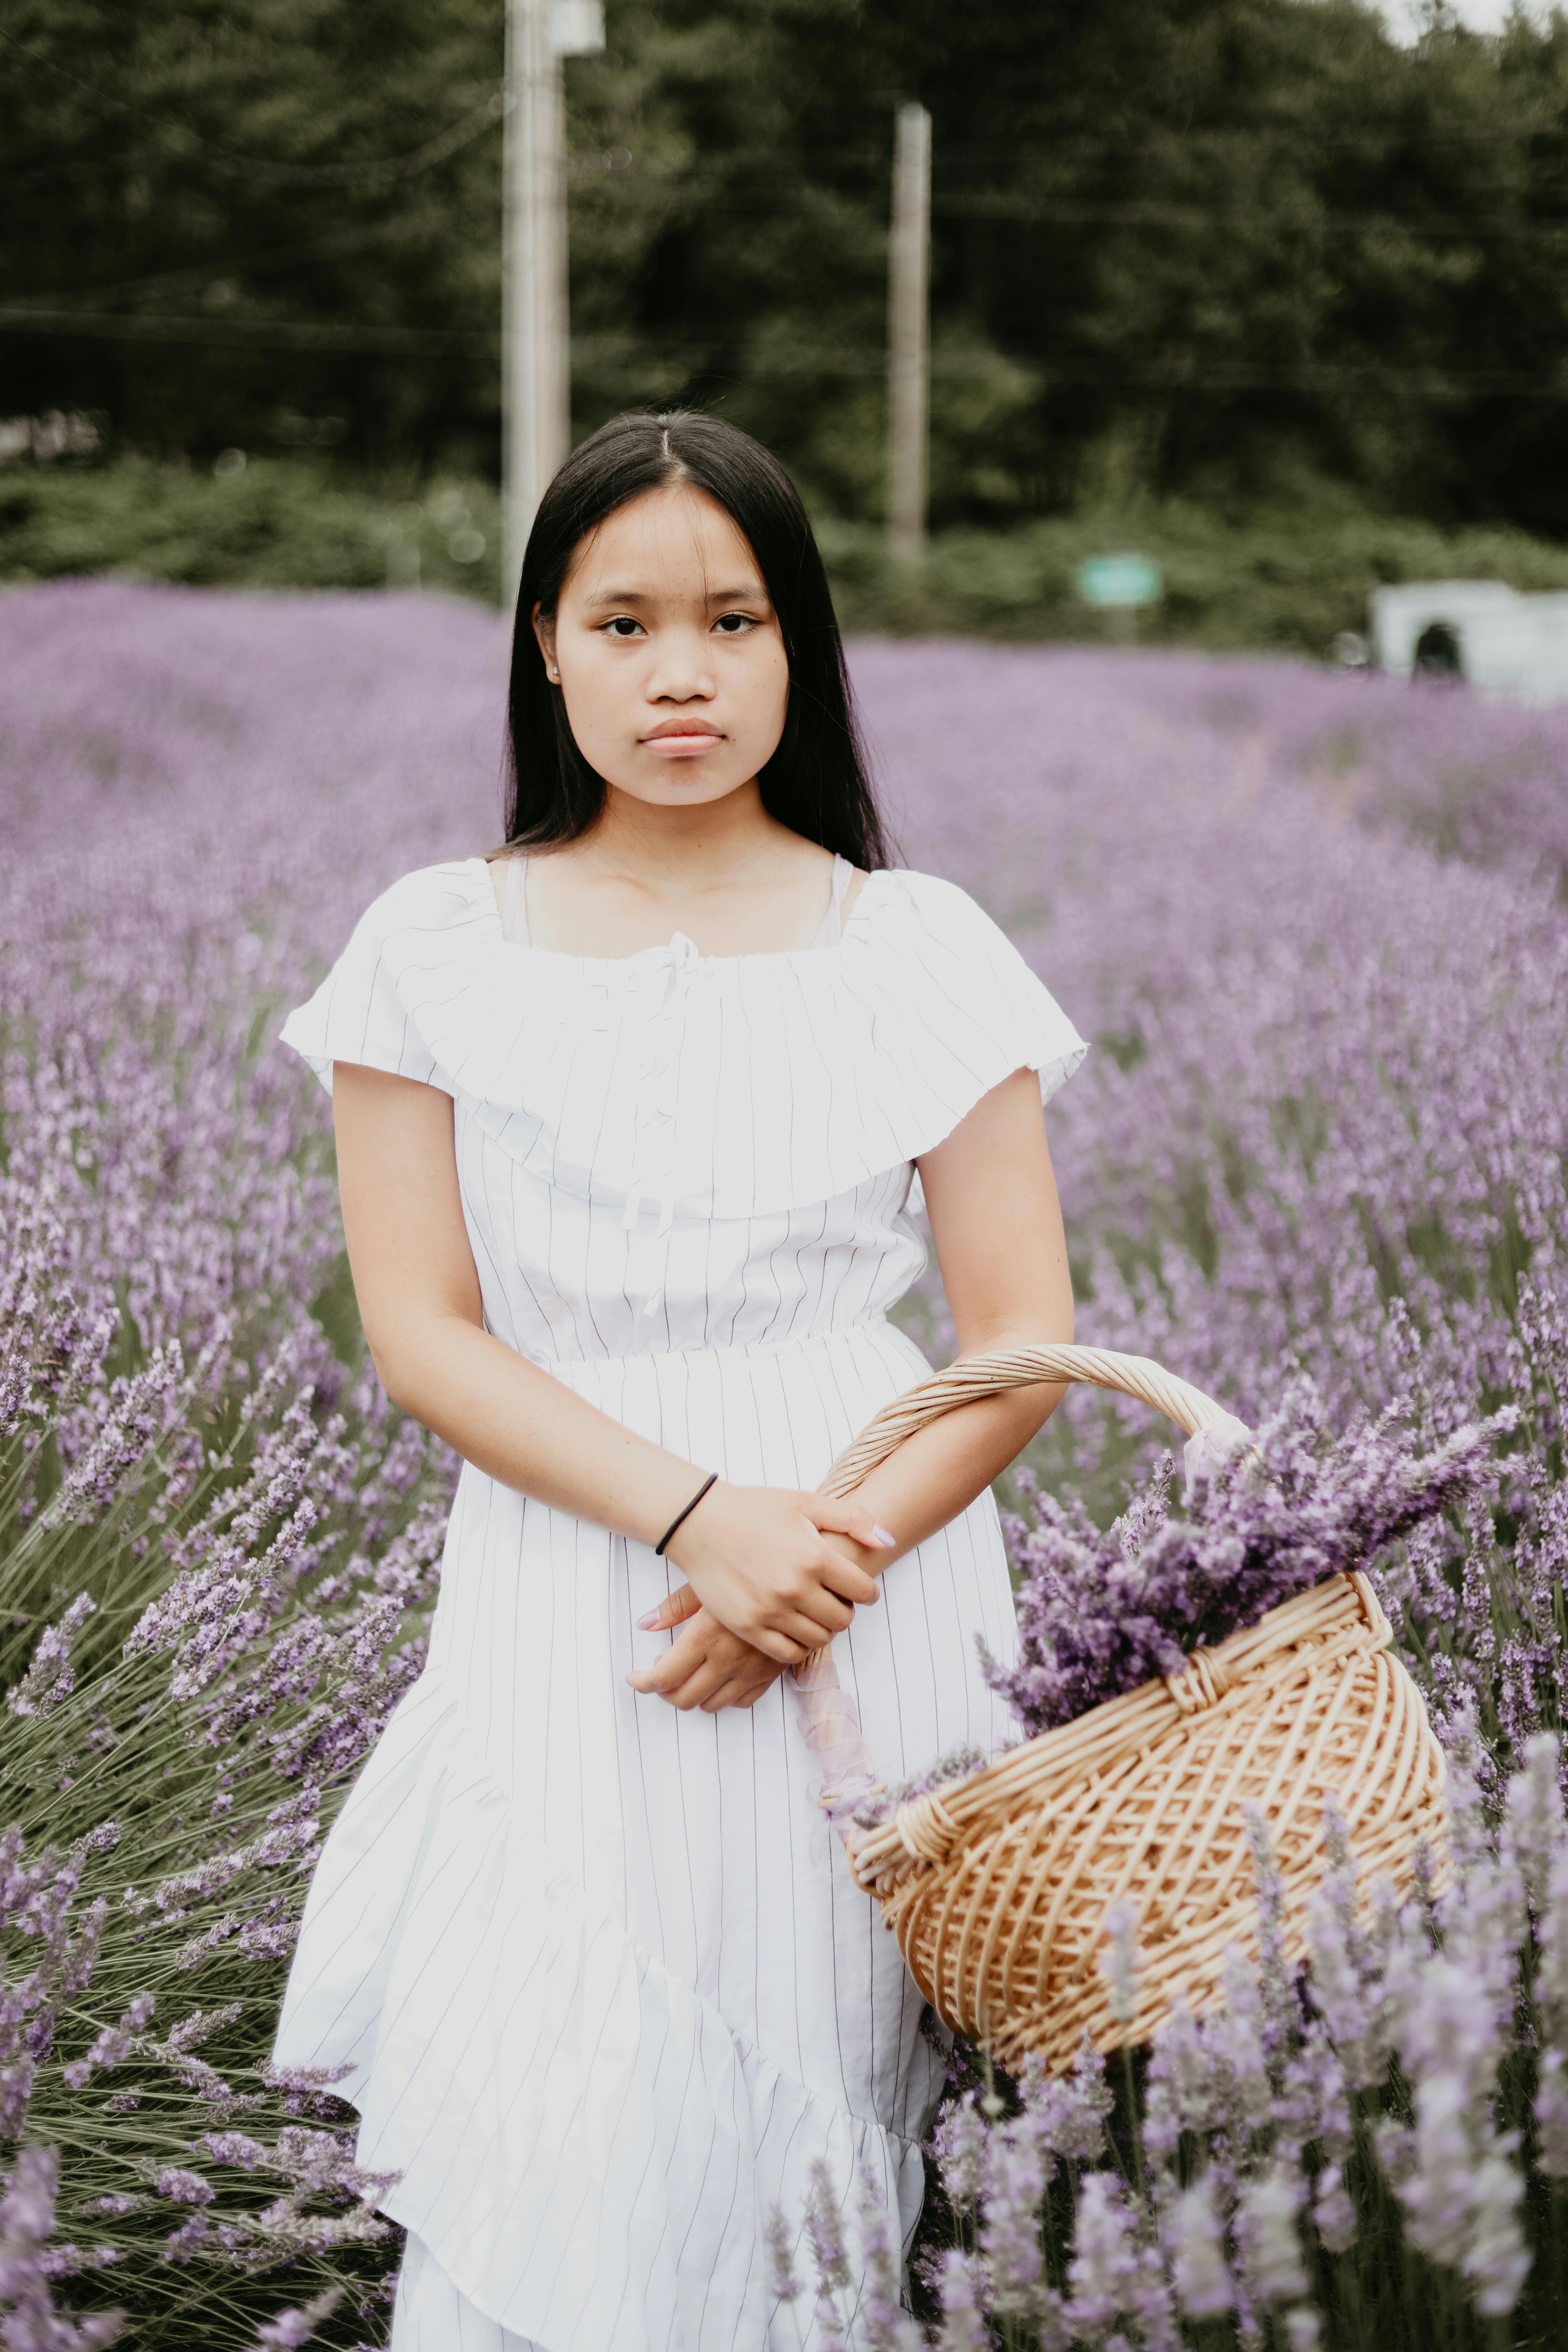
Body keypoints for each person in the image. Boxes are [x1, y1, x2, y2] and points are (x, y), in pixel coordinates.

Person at [271, 409, 1086, 2351]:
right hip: (579, 1578)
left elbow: (1022, 1336)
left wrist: (818, 1559)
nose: (682, 675)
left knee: (808, 2101)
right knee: (555, 2088)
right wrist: (702, 1520)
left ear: (799, 647)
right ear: (546, 643)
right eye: (624, 622)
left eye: (732, 620)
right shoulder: (433, 941)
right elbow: (426, 1331)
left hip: (868, 1590)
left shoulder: (918, 943)